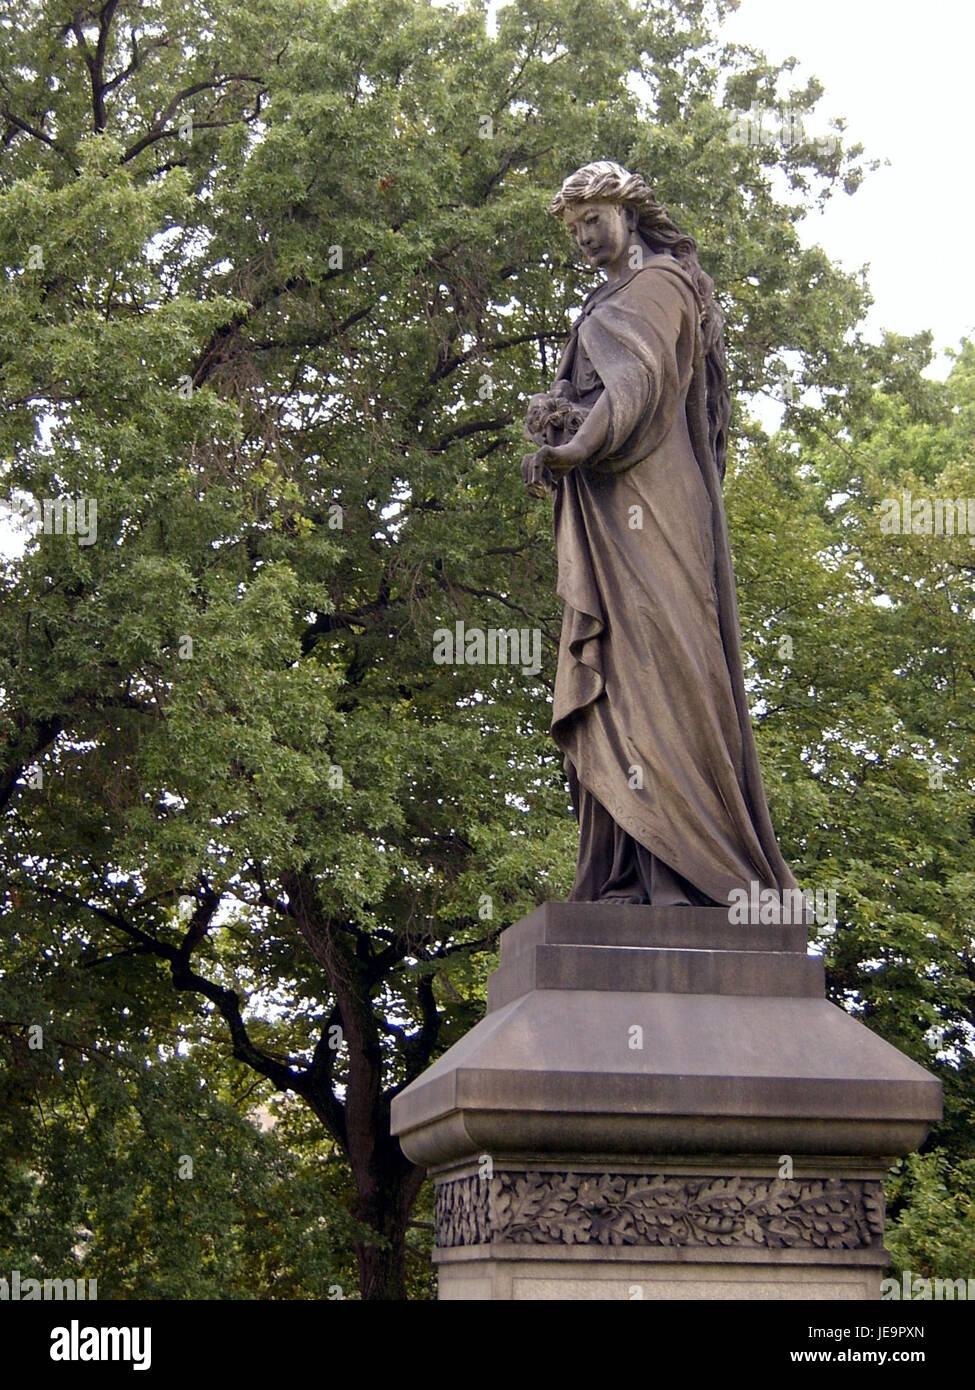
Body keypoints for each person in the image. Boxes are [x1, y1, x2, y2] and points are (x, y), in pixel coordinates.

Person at [522, 161, 797, 908]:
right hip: (610, 504)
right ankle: (623, 873)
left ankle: (688, 869)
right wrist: (556, 417)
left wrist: (577, 445)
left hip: (654, 500)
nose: (582, 237)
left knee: (665, 659)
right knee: (615, 669)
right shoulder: (604, 300)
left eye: (592, 221)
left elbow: (638, 389)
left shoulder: (660, 286)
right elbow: (594, 395)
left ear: (629, 212)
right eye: (573, 228)